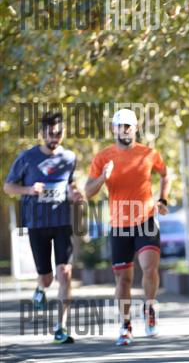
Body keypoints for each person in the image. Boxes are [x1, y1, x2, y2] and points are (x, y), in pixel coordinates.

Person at [84, 108, 170, 346]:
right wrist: (103, 177)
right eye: (119, 127)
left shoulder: (149, 153)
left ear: (135, 129)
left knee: (150, 269)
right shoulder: (103, 157)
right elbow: (88, 192)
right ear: (113, 129)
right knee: (123, 279)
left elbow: (165, 174)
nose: (124, 131)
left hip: (146, 220)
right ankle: (125, 324)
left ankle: (149, 307)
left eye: (128, 127)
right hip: (119, 225)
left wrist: (163, 200)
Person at [4, 111, 83, 344]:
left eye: (58, 133)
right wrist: (29, 190)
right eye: (50, 133)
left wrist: (74, 193)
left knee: (65, 273)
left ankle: (61, 327)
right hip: (37, 224)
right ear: (41, 133)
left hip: (62, 222)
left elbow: (71, 183)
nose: (54, 138)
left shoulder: (69, 158)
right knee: (47, 278)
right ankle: (40, 289)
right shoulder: (27, 158)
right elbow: (8, 187)